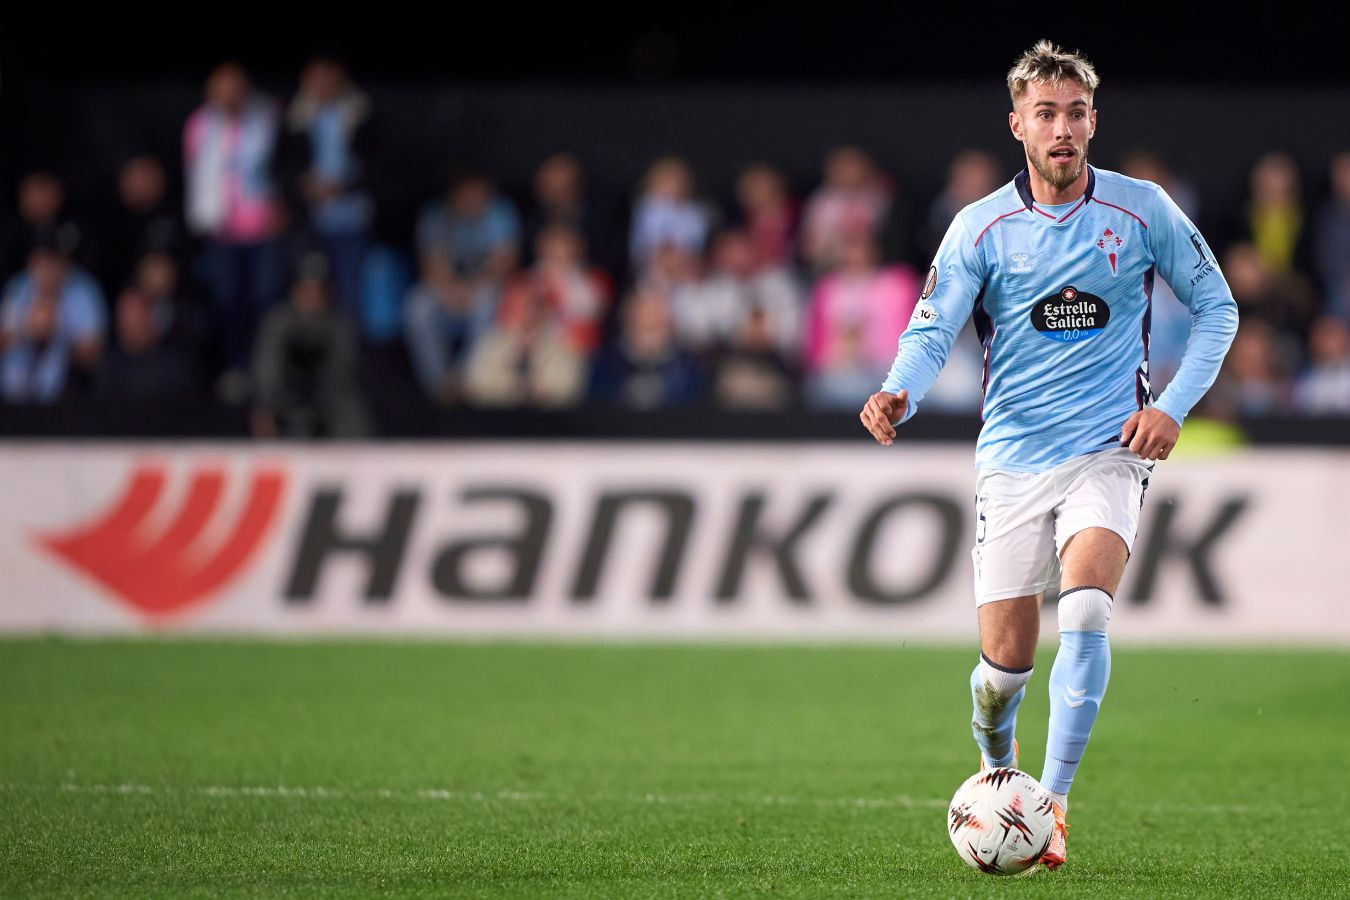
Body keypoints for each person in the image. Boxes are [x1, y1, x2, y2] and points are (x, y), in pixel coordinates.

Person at [857, 41, 1238, 869]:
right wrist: (898, 391)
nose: (1062, 129)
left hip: (1108, 450)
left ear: (1093, 121)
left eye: (1075, 113)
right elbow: (932, 328)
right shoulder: (981, 226)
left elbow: (1219, 308)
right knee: (1002, 676)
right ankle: (998, 766)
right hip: (1013, 460)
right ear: (1018, 126)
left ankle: (1053, 807)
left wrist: (1170, 407)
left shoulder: (1143, 209)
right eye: (1045, 114)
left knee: (1088, 611)